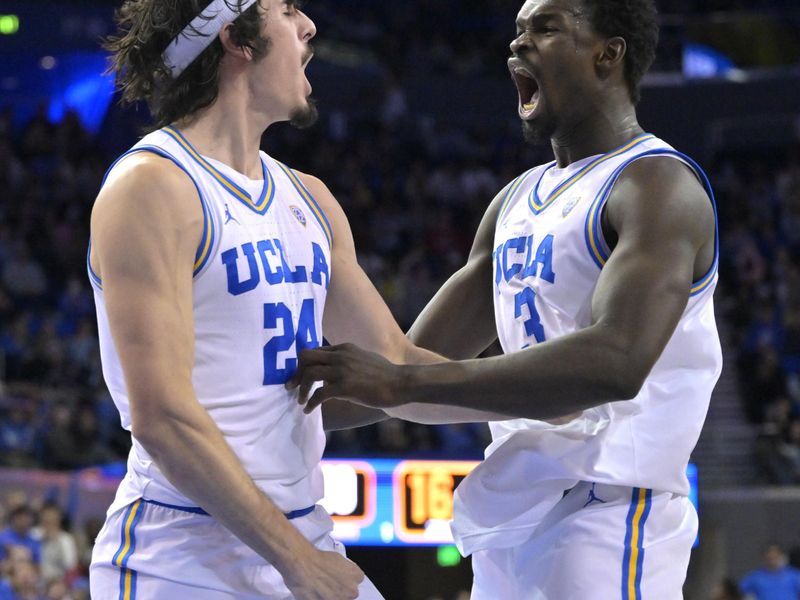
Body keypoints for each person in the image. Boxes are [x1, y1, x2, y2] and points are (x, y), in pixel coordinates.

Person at [291, 0, 722, 597]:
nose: (517, 45)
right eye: (517, 31)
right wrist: (261, 417)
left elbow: (616, 361)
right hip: (514, 513)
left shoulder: (657, 184)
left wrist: (400, 384)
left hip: (613, 506)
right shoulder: (515, 200)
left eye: (544, 28)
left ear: (609, 52)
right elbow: (405, 362)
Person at [88, 1, 440, 598]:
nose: (309, 26)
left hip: (305, 529)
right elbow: (160, 415)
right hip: (184, 556)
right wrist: (297, 561)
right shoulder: (153, 186)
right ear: (236, 40)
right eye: (287, 9)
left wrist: (543, 395)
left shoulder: (311, 196)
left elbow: (396, 364)